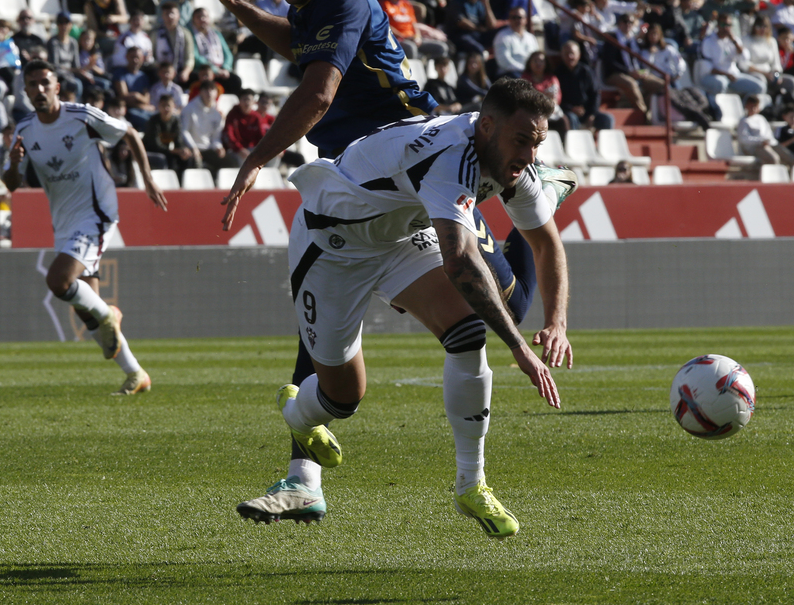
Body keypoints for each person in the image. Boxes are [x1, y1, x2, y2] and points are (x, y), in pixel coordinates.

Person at [198, 0, 576, 481]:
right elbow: (300, 48)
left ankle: (535, 191)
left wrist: (256, 157)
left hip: (413, 160)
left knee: (508, 300)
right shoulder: (312, 5)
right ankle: (304, 478)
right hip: (362, 170)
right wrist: (238, 6)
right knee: (344, 274)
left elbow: (319, 92)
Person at [235, 78, 569, 535]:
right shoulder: (452, 159)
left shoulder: (514, 162)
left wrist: (557, 323)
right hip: (331, 245)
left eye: (538, 143)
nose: (531, 155)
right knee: (342, 397)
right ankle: (297, 412)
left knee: (467, 332)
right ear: (487, 127)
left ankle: (472, 484)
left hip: (401, 235)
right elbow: (461, 264)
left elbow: (546, 245)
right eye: (522, 141)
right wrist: (520, 349)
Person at [3, 60, 167, 394]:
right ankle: (137, 374)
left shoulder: (81, 116)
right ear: (25, 90)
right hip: (63, 220)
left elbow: (130, 133)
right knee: (88, 310)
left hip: (95, 212)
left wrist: (147, 179)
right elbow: (12, 183)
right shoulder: (25, 128)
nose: (39, 90)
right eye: (31, 84)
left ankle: (109, 314)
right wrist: (14, 163)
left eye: (44, 83)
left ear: (57, 87)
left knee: (58, 280)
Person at [181, 80, 235, 173]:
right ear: (200, 92)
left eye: (212, 89)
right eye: (206, 90)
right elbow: (184, 131)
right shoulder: (189, 109)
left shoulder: (217, 114)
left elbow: (216, 137)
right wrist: (193, 148)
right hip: (192, 150)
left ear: (216, 93)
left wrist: (218, 147)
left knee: (231, 161)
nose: (209, 93)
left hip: (209, 150)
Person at [735, 94, 793, 166]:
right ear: (746, 106)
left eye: (755, 106)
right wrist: (760, 141)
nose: (753, 109)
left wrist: (768, 141)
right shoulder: (743, 121)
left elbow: (768, 134)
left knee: (791, 158)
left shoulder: (761, 118)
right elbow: (744, 139)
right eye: (751, 106)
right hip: (755, 147)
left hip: (768, 144)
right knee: (773, 159)